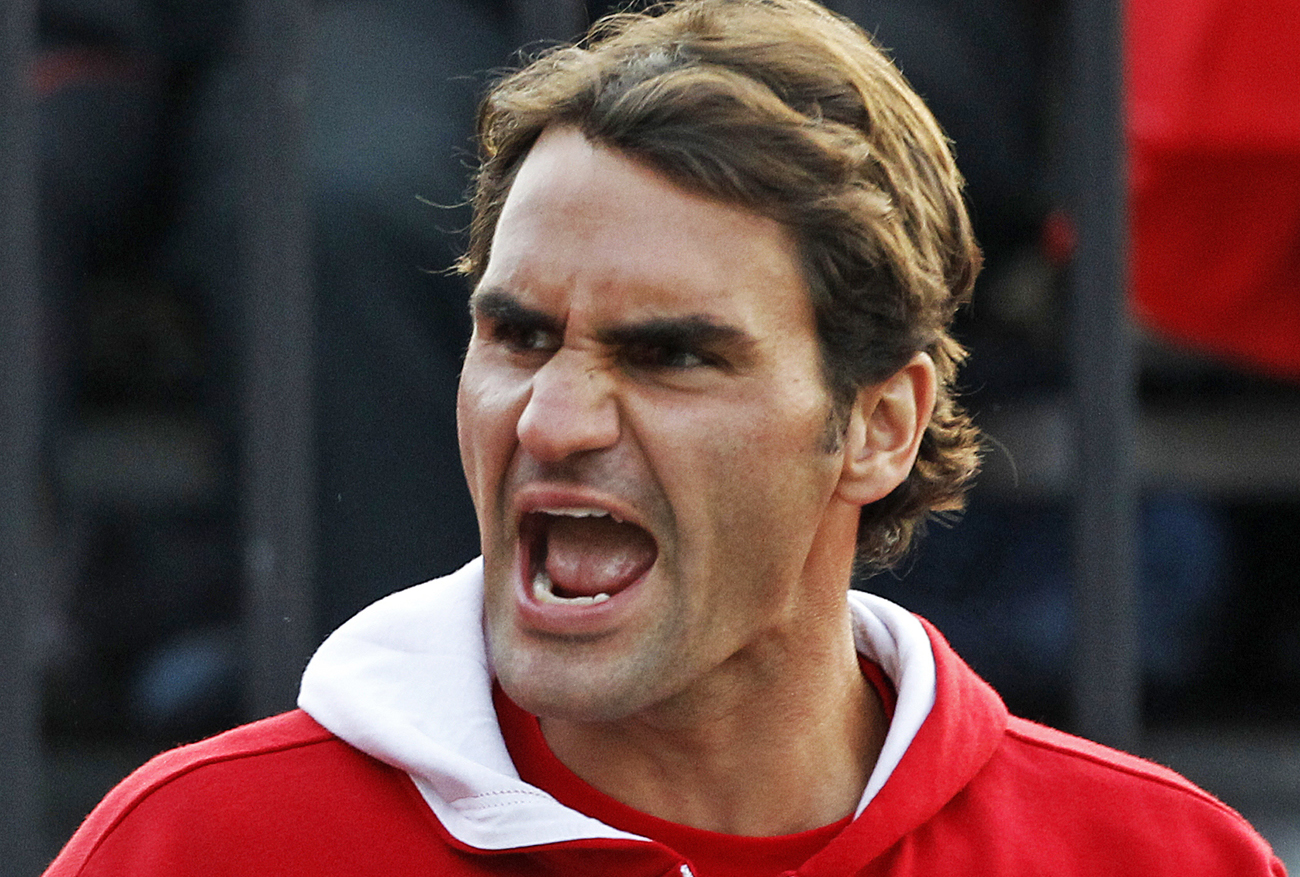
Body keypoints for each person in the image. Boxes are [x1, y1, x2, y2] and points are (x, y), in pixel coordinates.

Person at [43, 1, 1287, 874]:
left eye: (671, 354)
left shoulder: (1158, 859)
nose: (556, 421)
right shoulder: (197, 849)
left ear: (881, 423)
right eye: (518, 337)